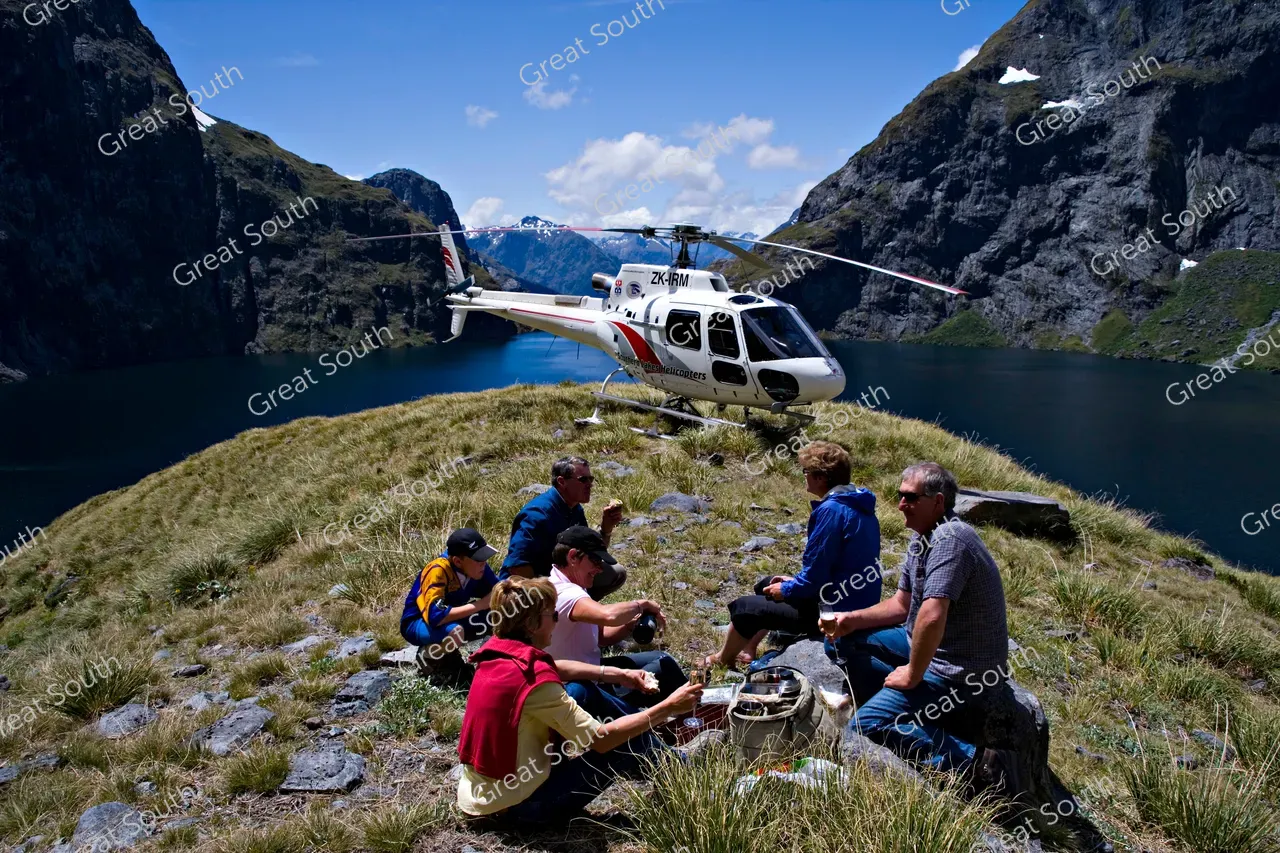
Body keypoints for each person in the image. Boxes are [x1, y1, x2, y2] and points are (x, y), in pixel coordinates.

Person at [822, 462, 1023, 795]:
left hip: (958, 669)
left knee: (863, 728)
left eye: (911, 497)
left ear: (939, 502)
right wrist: (849, 619)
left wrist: (913, 674)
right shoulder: (923, 539)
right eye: (900, 496)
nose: (901, 504)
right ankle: (894, 702)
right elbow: (902, 605)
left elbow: (931, 615)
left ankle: (976, 761)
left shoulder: (950, 538)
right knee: (841, 641)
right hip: (925, 643)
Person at [456, 576, 702, 825]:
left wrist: (616, 673)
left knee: (581, 691)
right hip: (522, 806)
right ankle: (681, 768)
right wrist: (667, 707)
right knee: (630, 739)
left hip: (482, 793)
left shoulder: (497, 652)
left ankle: (663, 754)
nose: (556, 620)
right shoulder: (538, 687)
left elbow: (553, 667)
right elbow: (602, 740)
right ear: (531, 624)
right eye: (552, 615)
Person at [702, 440, 881, 669]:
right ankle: (747, 650)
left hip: (833, 611)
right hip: (851, 599)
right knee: (767, 584)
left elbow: (816, 575)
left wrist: (788, 588)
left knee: (747, 607)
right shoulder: (858, 505)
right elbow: (830, 569)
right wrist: (792, 583)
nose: (804, 476)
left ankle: (722, 660)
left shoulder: (832, 511)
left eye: (806, 471)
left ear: (820, 477)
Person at [546, 526, 688, 711]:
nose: (599, 568)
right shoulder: (566, 592)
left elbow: (601, 637)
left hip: (587, 671)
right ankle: (688, 714)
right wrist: (642, 604)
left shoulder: (573, 586)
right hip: (579, 688)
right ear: (573, 557)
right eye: (595, 560)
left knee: (662, 660)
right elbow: (608, 615)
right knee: (663, 668)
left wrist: (631, 624)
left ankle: (680, 711)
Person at [502, 456, 626, 600]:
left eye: (590, 479)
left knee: (615, 573)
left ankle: (578, 611)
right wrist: (544, 597)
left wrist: (606, 528)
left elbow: (589, 553)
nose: (589, 485)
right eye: (583, 480)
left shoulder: (575, 509)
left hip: (561, 577)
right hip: (529, 587)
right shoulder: (537, 515)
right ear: (562, 482)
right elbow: (518, 566)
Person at [400, 528, 500, 675]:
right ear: (458, 561)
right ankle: (429, 656)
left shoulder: (476, 568)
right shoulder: (438, 570)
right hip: (418, 623)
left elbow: (497, 591)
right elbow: (436, 617)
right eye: (478, 559)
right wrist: (481, 604)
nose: (484, 563)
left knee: (500, 615)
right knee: (455, 632)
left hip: (451, 616)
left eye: (484, 557)